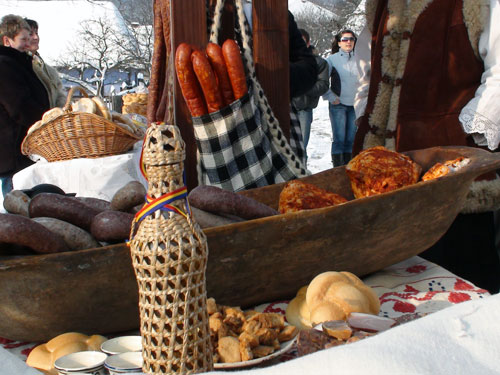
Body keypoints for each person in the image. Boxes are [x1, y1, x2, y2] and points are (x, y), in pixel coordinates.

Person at [353, 0, 500, 293]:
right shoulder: (380, 6)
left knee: (464, 288)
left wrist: (469, 132)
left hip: (452, 184)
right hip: (381, 186)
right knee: (392, 291)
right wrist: (366, 116)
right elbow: (367, 72)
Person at [0, 15, 50, 199]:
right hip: (13, 150)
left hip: (25, 147)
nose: (27, 43)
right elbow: (19, 106)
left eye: (29, 38)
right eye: (23, 39)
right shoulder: (4, 64)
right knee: (17, 202)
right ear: (7, 40)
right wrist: (45, 121)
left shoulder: (19, 62)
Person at [322, 29, 361, 167]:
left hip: (355, 105)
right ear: (339, 43)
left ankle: (349, 168)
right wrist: (331, 97)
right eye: (345, 39)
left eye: (351, 39)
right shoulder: (332, 60)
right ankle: (337, 169)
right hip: (338, 104)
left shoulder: (361, 58)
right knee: (339, 139)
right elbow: (322, 81)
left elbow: (367, 79)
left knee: (351, 139)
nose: (348, 42)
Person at [292, 28, 329, 164]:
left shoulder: (319, 63)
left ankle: (302, 177)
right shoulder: (284, 61)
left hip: (304, 110)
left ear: (307, 44)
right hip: (285, 108)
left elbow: (323, 85)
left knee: (301, 148)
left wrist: (302, 85)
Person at [24, 18, 66, 108]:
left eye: (37, 33)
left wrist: (60, 111)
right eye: (31, 34)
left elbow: (60, 94)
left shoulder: (50, 71)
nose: (36, 37)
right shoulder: (19, 67)